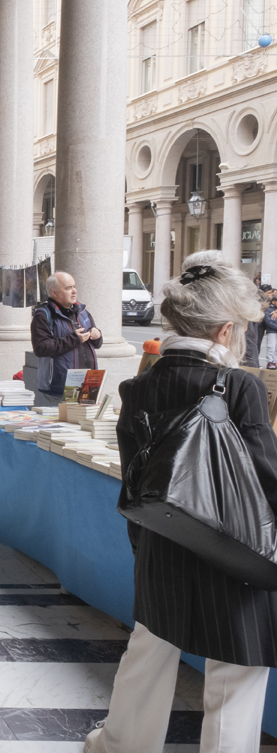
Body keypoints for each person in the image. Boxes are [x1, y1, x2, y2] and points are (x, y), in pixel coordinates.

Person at [85, 260, 276, 753]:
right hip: (236, 551)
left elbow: (136, 481)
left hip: (162, 540)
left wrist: (141, 546)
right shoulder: (241, 387)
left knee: (149, 650)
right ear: (225, 329)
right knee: (236, 670)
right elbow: (265, 478)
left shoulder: (137, 387)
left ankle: (121, 744)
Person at [30, 271, 103, 405]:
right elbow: (41, 348)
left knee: (82, 424)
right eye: (68, 288)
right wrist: (74, 339)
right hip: (60, 387)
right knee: (60, 424)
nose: (74, 291)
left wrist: (97, 334)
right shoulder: (43, 315)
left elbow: (97, 344)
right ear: (54, 293)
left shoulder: (83, 311)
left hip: (89, 384)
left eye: (74, 287)